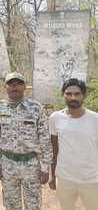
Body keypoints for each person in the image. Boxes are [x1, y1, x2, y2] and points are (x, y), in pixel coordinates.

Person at [0, 72, 52, 210]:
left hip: (31, 165)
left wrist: (45, 166)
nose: (14, 87)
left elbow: (44, 138)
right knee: (12, 205)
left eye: (18, 83)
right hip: (8, 164)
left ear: (24, 86)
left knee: (33, 205)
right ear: (5, 87)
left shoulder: (36, 108)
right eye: (10, 84)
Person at [49, 78, 98, 210]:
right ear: (63, 95)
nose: (73, 97)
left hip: (91, 180)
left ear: (84, 96)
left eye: (77, 94)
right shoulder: (55, 118)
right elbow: (54, 149)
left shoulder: (95, 119)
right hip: (65, 178)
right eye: (69, 94)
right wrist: (52, 176)